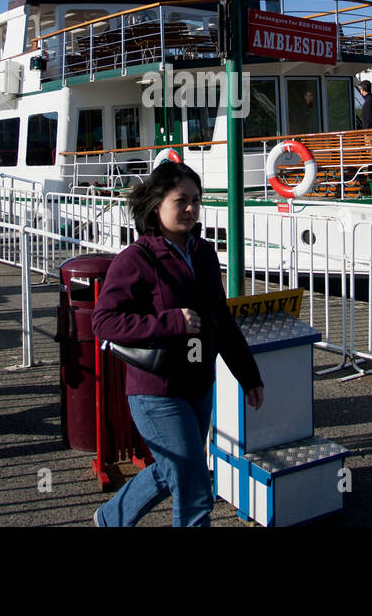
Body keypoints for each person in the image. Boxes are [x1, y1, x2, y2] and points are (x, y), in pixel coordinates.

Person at [92, 160, 264, 527]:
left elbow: (221, 320)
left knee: (174, 469)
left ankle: (109, 518)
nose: (190, 208)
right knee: (193, 484)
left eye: (196, 201)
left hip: (198, 385)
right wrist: (171, 323)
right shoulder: (136, 259)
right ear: (157, 205)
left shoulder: (203, 253)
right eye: (181, 200)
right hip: (157, 391)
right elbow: (103, 322)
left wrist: (249, 375)